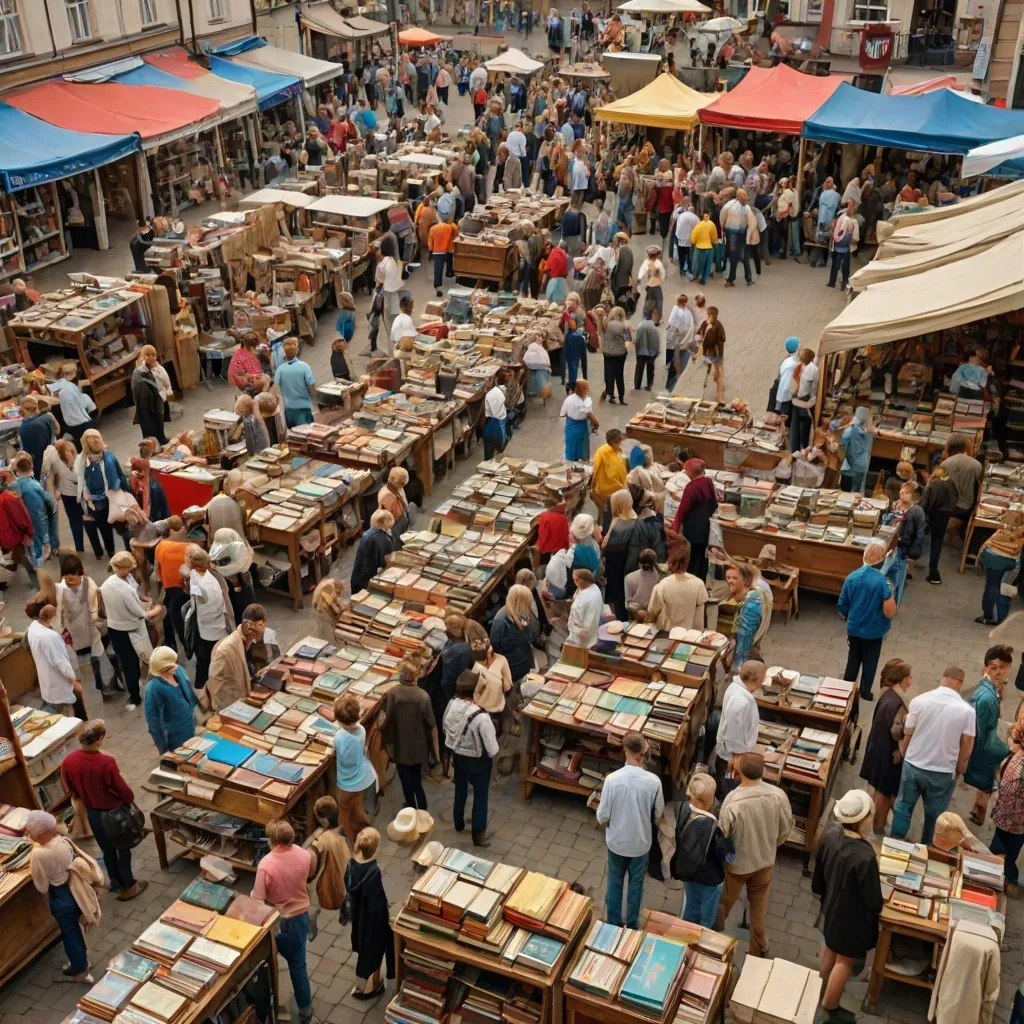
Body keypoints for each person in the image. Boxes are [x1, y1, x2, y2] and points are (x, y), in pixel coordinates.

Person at [812, 789, 884, 1024]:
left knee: (829, 948)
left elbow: (818, 877)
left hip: (831, 908)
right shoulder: (865, 856)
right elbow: (873, 900)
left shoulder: (830, 835)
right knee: (845, 961)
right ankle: (830, 1006)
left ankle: (820, 989)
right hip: (851, 919)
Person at [716, 752, 794, 957]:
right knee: (759, 910)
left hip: (737, 866)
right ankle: (758, 949)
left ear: (738, 772)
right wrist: (771, 845)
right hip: (765, 863)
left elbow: (723, 834)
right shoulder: (778, 796)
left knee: (724, 903)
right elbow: (785, 830)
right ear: (763, 771)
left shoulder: (733, 800)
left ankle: (712, 938)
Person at [61, 720, 147, 900]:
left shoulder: (69, 761)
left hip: (93, 813)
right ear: (99, 740)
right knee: (123, 848)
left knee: (107, 849)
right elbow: (124, 792)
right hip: (114, 814)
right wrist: (128, 800)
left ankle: (114, 881)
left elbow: (69, 788)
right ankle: (129, 884)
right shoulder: (106, 762)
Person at [890, 666, 976, 844]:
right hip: (942, 771)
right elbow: (967, 742)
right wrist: (961, 764)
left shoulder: (919, 701)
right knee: (934, 817)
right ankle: (926, 850)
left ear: (943, 678)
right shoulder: (966, 711)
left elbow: (909, 731)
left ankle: (895, 844)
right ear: (959, 683)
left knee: (903, 808)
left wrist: (905, 753)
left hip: (914, 765)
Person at [597, 730, 664, 929]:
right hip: (641, 843)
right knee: (636, 884)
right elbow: (658, 813)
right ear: (643, 753)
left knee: (615, 880)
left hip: (617, 842)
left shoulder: (612, 780)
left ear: (625, 750)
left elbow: (602, 816)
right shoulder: (654, 782)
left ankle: (613, 923)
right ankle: (633, 924)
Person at [253, 820, 317, 1024]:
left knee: (266, 964)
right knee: (298, 965)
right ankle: (305, 1011)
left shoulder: (266, 865)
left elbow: (258, 900)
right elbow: (309, 875)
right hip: (300, 918)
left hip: (278, 921)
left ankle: (269, 1006)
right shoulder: (304, 854)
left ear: (273, 841)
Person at [27, 810, 93, 983]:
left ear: (36, 834)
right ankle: (84, 961)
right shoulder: (63, 841)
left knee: (69, 934)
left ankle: (80, 971)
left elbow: (41, 886)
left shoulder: (38, 854)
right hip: (75, 890)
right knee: (77, 929)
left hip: (60, 896)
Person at [444, 670, 499, 847]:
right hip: (478, 760)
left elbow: (445, 727)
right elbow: (492, 749)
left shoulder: (451, 704)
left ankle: (458, 822)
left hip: (458, 755)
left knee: (460, 788)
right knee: (480, 795)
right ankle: (478, 835)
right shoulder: (482, 717)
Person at [838, 541, 897, 701]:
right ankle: (865, 691)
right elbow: (889, 611)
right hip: (873, 632)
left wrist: (848, 617)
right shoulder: (882, 582)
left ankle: (846, 688)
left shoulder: (852, 577)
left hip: (854, 629)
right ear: (881, 558)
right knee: (870, 663)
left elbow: (842, 605)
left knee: (853, 659)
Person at [860, 659, 913, 835]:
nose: (910, 681)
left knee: (879, 790)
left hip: (878, 750)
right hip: (889, 756)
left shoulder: (886, 695)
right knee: (884, 793)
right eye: (908, 677)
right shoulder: (897, 704)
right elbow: (897, 732)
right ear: (902, 679)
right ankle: (878, 828)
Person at [672, 772, 732, 927]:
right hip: (711, 876)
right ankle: (703, 937)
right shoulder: (716, 824)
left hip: (688, 870)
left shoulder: (682, 808)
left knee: (691, 904)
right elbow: (726, 855)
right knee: (708, 911)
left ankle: (686, 931)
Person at [100, 552, 157, 710]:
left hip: (114, 628)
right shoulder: (124, 590)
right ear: (125, 568)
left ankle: (134, 691)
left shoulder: (107, 583)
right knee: (137, 661)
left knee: (127, 662)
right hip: (132, 630)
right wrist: (154, 610)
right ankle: (135, 696)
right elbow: (139, 612)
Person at [55, 554, 115, 700]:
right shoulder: (61, 588)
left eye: (71, 577)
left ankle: (106, 689)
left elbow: (94, 609)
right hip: (74, 634)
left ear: (79, 573)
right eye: (65, 577)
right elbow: (58, 612)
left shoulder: (89, 584)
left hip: (91, 630)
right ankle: (85, 693)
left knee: (100, 662)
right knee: (80, 666)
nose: (68, 581)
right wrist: (59, 631)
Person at [380, 659, 437, 811]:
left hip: (401, 747)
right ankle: (423, 810)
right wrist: (435, 752)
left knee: (406, 782)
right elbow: (431, 724)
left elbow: (386, 720)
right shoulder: (423, 696)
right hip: (419, 747)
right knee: (417, 781)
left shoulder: (393, 694)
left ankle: (411, 809)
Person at [964, 645, 1012, 824]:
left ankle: (977, 811)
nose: (998, 672)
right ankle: (980, 815)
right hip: (984, 753)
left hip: (987, 746)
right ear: (986, 668)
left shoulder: (994, 687)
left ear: (1009, 668)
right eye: (993, 668)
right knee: (987, 785)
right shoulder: (986, 698)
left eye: (1002, 668)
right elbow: (979, 735)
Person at [346, 827, 395, 999]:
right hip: (372, 922)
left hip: (358, 916)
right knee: (372, 954)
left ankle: (365, 984)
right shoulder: (373, 872)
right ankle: (366, 988)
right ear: (376, 849)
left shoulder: (351, 866)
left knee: (365, 951)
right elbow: (376, 904)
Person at [75, 428, 130, 558]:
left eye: (97, 439)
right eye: (92, 440)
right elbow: (81, 479)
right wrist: (85, 494)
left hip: (113, 498)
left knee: (122, 527)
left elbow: (118, 478)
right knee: (106, 528)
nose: (95, 442)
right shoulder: (82, 461)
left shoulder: (109, 459)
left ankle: (127, 552)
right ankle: (112, 552)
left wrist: (125, 495)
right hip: (97, 502)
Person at [205, 604, 266, 711]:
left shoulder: (247, 640)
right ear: (249, 625)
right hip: (228, 704)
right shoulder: (226, 649)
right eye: (260, 625)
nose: (263, 629)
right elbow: (214, 681)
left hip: (240, 699)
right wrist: (219, 709)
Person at [334, 694, 377, 842]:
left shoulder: (340, 737)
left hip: (348, 782)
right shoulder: (361, 730)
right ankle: (367, 831)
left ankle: (350, 840)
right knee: (357, 805)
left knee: (344, 811)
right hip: (364, 777)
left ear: (339, 721)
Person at [716, 660, 765, 790]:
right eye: (762, 677)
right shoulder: (740, 701)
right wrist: (735, 760)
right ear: (754, 678)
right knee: (729, 786)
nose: (763, 681)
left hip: (734, 755)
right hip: (733, 759)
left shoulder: (737, 688)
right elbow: (732, 734)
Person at [26, 599, 81, 715]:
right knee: (65, 718)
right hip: (58, 688)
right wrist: (72, 678)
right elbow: (60, 662)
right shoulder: (49, 636)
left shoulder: (33, 628)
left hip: (48, 686)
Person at [187, 546, 230, 690]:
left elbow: (200, 598)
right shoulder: (199, 574)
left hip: (209, 627)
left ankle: (203, 688)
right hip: (208, 623)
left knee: (205, 660)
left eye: (188, 557)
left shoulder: (205, 585)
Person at [668, 459, 717, 583]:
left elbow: (682, 510)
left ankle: (689, 584)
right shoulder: (708, 481)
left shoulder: (691, 487)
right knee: (703, 557)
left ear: (691, 472)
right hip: (705, 526)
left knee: (692, 558)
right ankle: (701, 584)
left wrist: (674, 530)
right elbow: (714, 504)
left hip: (693, 528)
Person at [143, 645, 198, 755]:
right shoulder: (154, 688)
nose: (176, 666)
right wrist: (164, 749)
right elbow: (154, 722)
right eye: (172, 664)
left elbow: (189, 693)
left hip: (189, 728)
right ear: (164, 668)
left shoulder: (178, 671)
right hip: (174, 738)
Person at [647, 541, 708, 632]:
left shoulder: (662, 585)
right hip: (690, 637)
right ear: (687, 562)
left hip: (667, 635)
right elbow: (700, 618)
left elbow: (651, 613)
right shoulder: (699, 584)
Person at [976, 516, 1024, 626]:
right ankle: (1002, 620)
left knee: (992, 587)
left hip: (996, 556)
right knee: (1006, 589)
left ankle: (988, 617)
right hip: (1014, 558)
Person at [489, 585, 539, 689]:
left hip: (525, 664)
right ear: (520, 601)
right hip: (511, 671)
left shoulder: (523, 614)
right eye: (528, 601)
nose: (530, 604)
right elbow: (495, 650)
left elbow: (530, 635)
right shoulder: (500, 622)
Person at [13, 453, 57, 566]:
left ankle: (35, 563)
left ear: (17, 469)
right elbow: (46, 503)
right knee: (39, 546)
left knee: (30, 545)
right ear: (31, 467)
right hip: (36, 520)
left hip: (23, 522)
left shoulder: (14, 486)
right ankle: (39, 566)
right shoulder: (34, 485)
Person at [991, 743, 1024, 894]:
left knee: (1003, 851)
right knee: (1006, 852)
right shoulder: (1018, 759)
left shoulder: (1018, 759)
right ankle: (1006, 879)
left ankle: (1004, 879)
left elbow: (1007, 786)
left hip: (1012, 817)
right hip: (1012, 818)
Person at [153, 517, 190, 652]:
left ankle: (170, 643)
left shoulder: (160, 546)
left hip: (170, 586)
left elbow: (157, 571)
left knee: (167, 613)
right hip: (187, 588)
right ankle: (187, 642)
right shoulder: (190, 547)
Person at [725, 562, 770, 667]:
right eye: (728, 578)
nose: (730, 582)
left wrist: (736, 666)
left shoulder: (751, 603)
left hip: (745, 653)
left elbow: (744, 640)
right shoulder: (761, 585)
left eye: (735, 579)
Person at [921, 467, 958, 585]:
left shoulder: (933, 485)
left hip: (933, 513)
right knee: (938, 541)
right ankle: (933, 569)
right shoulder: (951, 483)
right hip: (945, 515)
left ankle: (913, 562)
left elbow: (924, 503)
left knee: (924, 536)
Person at [942, 433, 983, 536]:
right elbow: (979, 491)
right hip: (964, 508)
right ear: (966, 447)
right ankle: (959, 532)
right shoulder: (976, 464)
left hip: (946, 507)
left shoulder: (945, 464)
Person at [273, 338, 319, 428]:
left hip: (289, 410)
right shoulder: (305, 367)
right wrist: (316, 402)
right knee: (307, 434)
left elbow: (275, 391)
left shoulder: (280, 370)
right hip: (304, 409)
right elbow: (311, 387)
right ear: (297, 350)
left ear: (284, 352)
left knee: (295, 436)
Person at [49, 362, 96, 445]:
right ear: (72, 374)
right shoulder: (71, 386)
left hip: (68, 422)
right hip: (79, 423)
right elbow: (83, 404)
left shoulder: (57, 385)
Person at [131, 346, 168, 444]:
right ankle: (151, 444)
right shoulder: (138, 371)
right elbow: (137, 388)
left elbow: (163, 381)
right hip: (144, 403)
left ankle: (161, 438)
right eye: (147, 355)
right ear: (141, 356)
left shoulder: (156, 368)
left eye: (153, 355)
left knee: (159, 420)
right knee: (148, 423)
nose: (151, 357)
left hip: (155, 400)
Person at [351, 509, 394, 593]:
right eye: (389, 528)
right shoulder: (382, 539)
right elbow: (386, 561)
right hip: (369, 582)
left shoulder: (367, 533)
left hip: (357, 577)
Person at [592, 429, 627, 524]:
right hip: (609, 491)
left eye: (620, 440)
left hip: (612, 489)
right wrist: (593, 489)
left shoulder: (611, 451)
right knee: (609, 515)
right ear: (610, 442)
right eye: (617, 441)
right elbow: (597, 471)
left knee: (608, 513)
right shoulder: (605, 454)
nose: (620, 443)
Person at [788, 349, 818, 453]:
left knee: (803, 430)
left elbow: (805, 389)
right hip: (800, 401)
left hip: (805, 401)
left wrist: (796, 394)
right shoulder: (802, 367)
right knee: (796, 429)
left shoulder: (812, 369)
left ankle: (801, 452)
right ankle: (797, 452)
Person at [560, 380, 598, 462]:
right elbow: (591, 417)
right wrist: (595, 428)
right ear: (585, 390)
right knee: (582, 452)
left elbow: (563, 414)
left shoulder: (568, 399)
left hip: (570, 428)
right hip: (582, 429)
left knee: (570, 450)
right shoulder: (587, 401)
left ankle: (569, 469)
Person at [18, 395, 55, 481]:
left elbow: (29, 453)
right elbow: (57, 430)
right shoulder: (47, 417)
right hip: (50, 458)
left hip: (38, 467)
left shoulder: (26, 427)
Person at [665, 294, 695, 392]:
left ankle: (673, 385)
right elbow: (673, 325)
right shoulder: (677, 310)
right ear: (683, 302)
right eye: (686, 301)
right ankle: (670, 386)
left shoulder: (686, 311)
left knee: (680, 364)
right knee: (674, 364)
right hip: (677, 342)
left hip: (684, 342)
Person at [567, 568, 603, 649]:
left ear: (581, 580)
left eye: (575, 580)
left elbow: (590, 622)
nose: (574, 582)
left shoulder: (593, 595)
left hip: (583, 638)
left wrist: (579, 631)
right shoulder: (582, 588)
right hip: (575, 633)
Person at [840, 407, 873, 492]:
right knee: (854, 494)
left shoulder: (849, 430)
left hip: (848, 468)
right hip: (859, 470)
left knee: (845, 494)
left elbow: (842, 447)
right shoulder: (868, 434)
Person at [827, 201, 859, 289]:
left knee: (844, 265)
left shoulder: (854, 221)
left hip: (846, 245)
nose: (849, 209)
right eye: (848, 206)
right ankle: (832, 282)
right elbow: (835, 225)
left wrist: (850, 242)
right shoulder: (841, 215)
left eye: (851, 207)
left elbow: (855, 237)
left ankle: (843, 282)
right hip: (838, 243)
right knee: (836, 263)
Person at [625, 548, 661, 621]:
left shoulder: (628, 577)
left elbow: (628, 604)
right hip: (652, 617)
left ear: (639, 563)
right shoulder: (660, 578)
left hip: (638, 617)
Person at [700, 305, 725, 404]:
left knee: (718, 374)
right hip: (710, 352)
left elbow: (720, 341)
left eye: (708, 315)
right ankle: (704, 392)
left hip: (714, 353)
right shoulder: (707, 324)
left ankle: (720, 398)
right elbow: (699, 332)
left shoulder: (717, 327)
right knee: (711, 372)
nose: (707, 317)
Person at [633, 307, 660, 392]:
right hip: (651, 351)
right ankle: (649, 385)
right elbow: (655, 340)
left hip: (642, 350)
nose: (657, 317)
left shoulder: (641, 325)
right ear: (651, 315)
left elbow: (637, 340)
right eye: (655, 315)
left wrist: (637, 351)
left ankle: (637, 385)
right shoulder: (652, 326)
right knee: (650, 368)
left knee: (639, 368)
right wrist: (657, 351)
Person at [483, 373, 509, 460]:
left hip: (495, 425)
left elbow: (494, 414)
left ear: (492, 381)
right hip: (501, 422)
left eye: (487, 380)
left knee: (489, 452)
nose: (485, 382)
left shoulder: (490, 395)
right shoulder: (498, 391)